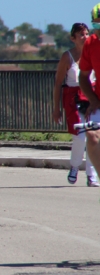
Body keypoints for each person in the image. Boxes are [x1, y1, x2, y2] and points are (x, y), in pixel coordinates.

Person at [52, 22, 98, 186]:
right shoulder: (67, 57)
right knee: (79, 136)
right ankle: (74, 166)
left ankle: (92, 175)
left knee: (93, 136)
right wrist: (56, 109)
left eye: (86, 33)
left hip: (91, 96)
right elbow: (58, 83)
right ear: (73, 38)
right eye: (81, 34)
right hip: (73, 98)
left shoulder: (93, 51)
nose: (85, 37)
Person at [79, 3, 100, 186]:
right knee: (92, 135)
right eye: (96, 25)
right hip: (99, 101)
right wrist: (92, 100)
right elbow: (83, 77)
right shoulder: (91, 44)